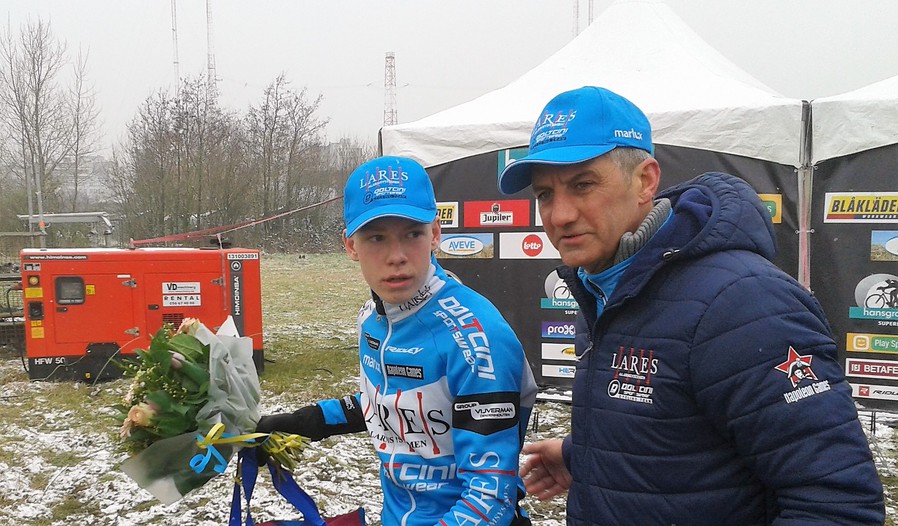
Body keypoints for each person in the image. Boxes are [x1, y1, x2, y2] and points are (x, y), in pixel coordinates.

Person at [498, 86, 885, 525]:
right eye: (545, 194)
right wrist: (582, 454)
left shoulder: (743, 302)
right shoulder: (605, 285)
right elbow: (681, 428)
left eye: (582, 185)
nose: (560, 214)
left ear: (644, 181)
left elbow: (837, 503)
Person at [257, 155, 538, 526]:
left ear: (435, 234)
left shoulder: (476, 338)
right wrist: (299, 422)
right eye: (376, 238)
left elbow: (490, 497)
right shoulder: (373, 318)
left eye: (412, 234)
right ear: (351, 245)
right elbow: (385, 403)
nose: (397, 257)